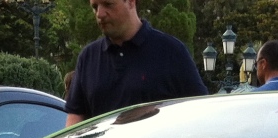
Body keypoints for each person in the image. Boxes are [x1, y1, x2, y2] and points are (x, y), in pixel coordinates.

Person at [64, 0, 206, 125]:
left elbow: (201, 111)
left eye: (108, 4)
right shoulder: (88, 57)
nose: (99, 14)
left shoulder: (171, 52)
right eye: (95, 7)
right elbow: (75, 120)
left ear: (131, 2)